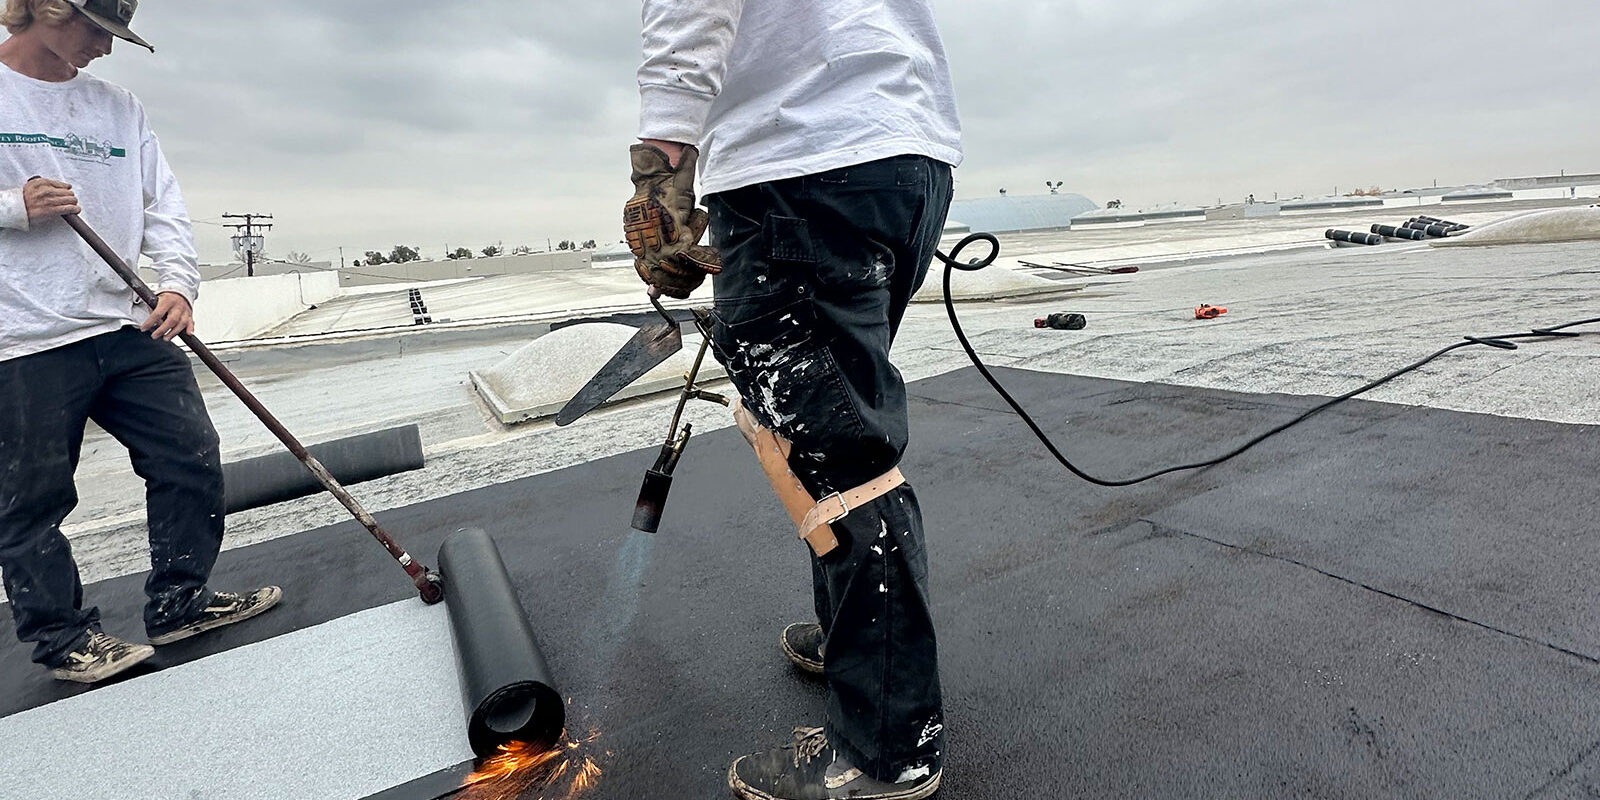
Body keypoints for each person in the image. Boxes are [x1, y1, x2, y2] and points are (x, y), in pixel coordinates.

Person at [627, 1, 960, 797]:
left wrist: (662, 171)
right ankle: (862, 644)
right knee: (831, 428)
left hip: (801, 169)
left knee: (836, 453)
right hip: (902, 161)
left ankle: (885, 749)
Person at [0, 0, 280, 684]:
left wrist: (179, 285)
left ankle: (180, 600)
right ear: (46, 8)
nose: (107, 46)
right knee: (31, 500)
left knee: (190, 455)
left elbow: (163, 204)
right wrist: (13, 206)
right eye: (97, 29)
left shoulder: (118, 108)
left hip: (127, 321)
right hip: (23, 336)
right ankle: (63, 638)